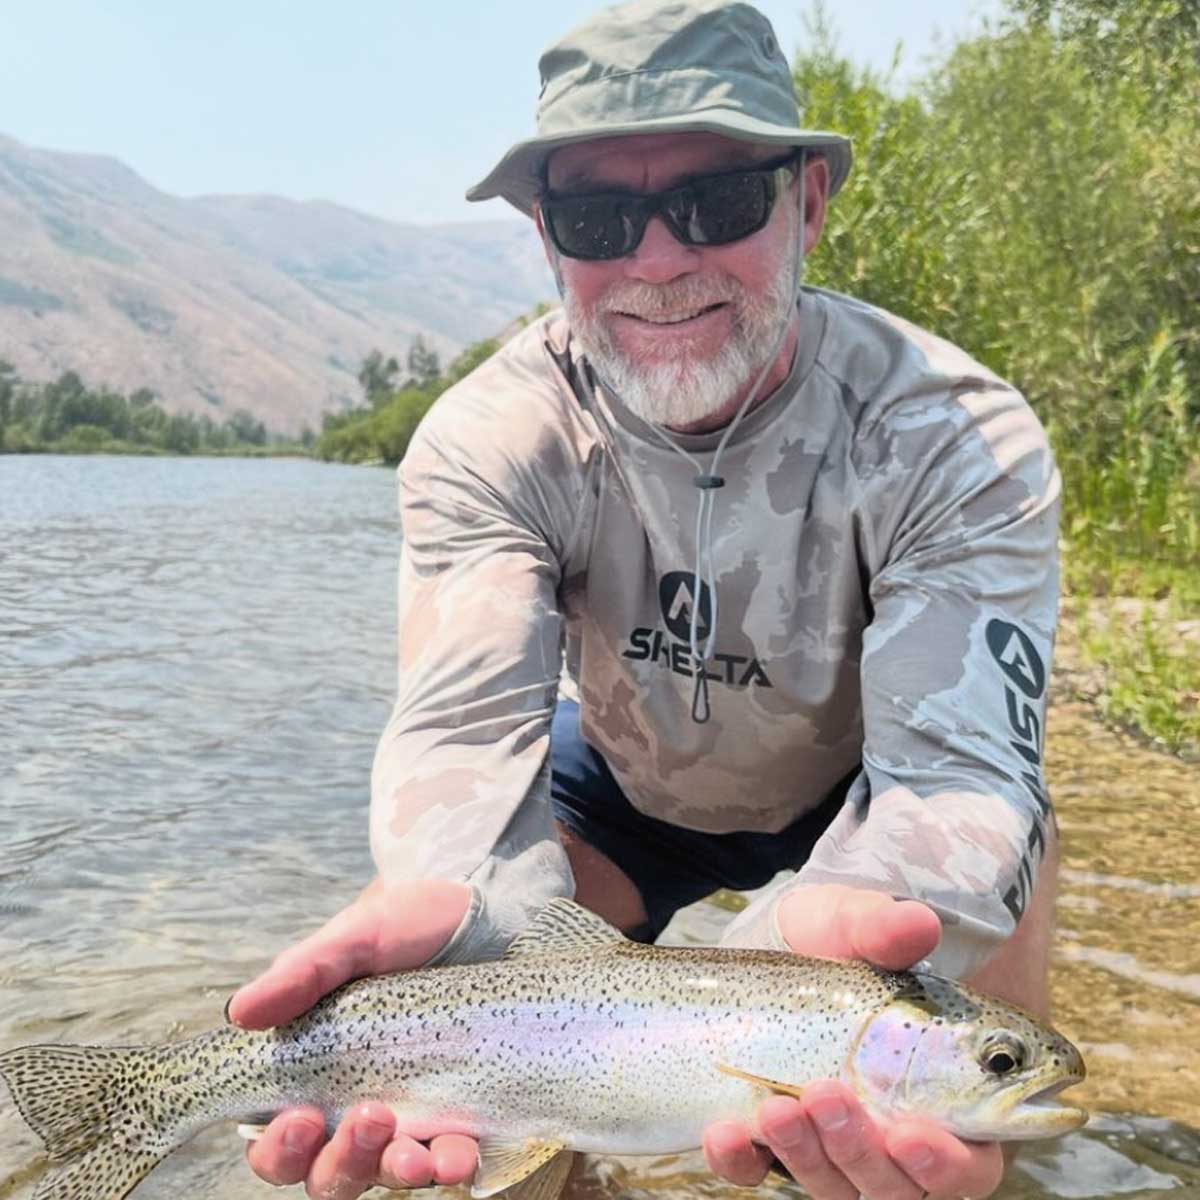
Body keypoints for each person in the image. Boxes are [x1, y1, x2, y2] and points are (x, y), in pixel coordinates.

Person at [228, 2, 1062, 1198]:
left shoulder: (953, 437)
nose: (658, 262)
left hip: (874, 792)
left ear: (809, 201)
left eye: (719, 204)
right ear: (546, 237)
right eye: (599, 217)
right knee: (505, 1143)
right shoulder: (488, 439)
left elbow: (955, 776)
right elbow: (466, 742)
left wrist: (769, 990)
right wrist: (464, 918)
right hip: (626, 789)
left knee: (959, 1129)